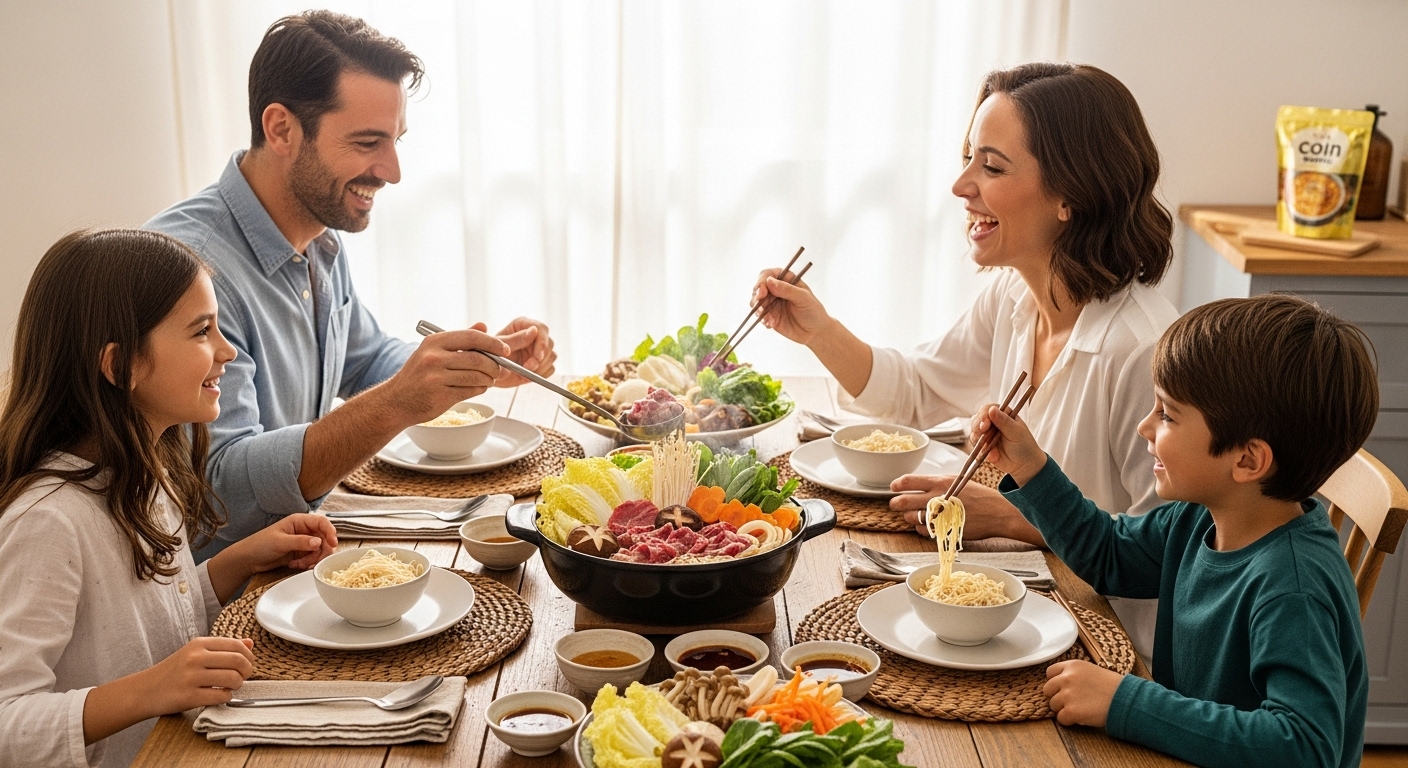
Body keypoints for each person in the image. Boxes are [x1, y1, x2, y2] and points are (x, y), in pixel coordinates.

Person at [754, 62, 1178, 657]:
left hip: (1111, 654)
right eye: (968, 158)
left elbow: (1168, 552)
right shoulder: (1015, 297)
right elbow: (917, 392)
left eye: (992, 166)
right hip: (1033, 620)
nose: (961, 186)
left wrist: (1011, 516)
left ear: (1070, 195)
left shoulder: (1141, 350)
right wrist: (817, 330)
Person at [147, 11, 557, 558]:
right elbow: (219, 492)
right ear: (281, 129)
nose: (392, 170)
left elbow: (365, 361)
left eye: (395, 140)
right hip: (221, 594)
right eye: (368, 143)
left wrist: (472, 363)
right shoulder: (187, 268)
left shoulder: (316, 231)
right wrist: (395, 404)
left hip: (299, 551)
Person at [976, 294, 1374, 767]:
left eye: (1167, 414)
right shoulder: (1198, 517)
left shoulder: (1293, 586)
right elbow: (1109, 555)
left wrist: (1127, 702)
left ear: (1247, 460)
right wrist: (1031, 467)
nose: (1146, 426)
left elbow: (1304, 747)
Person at [0, 229, 339, 768]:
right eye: (202, 331)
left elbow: (150, 625)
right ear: (121, 366)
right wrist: (152, 690)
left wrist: (238, 562)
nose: (227, 351)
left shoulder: (144, 471)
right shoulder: (48, 521)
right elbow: (8, 721)